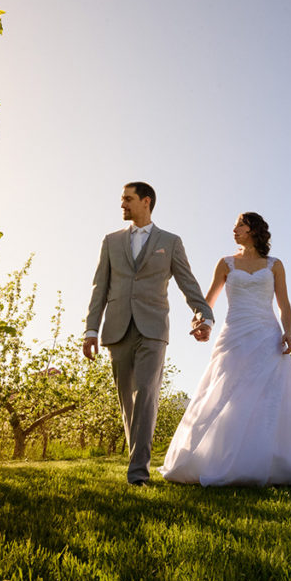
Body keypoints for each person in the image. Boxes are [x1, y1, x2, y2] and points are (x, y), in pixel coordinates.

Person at [159, 212, 291, 486]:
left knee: (268, 396)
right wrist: (201, 322)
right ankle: (218, 457)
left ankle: (271, 459)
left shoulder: (274, 265)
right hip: (235, 333)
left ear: (253, 229)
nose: (234, 229)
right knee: (226, 392)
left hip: (267, 334)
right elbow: (208, 301)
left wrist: (288, 332)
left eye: (240, 224)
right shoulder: (226, 263)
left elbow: (284, 303)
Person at [84, 181, 214, 485]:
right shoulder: (111, 241)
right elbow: (99, 287)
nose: (122, 205)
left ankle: (138, 473)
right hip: (117, 328)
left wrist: (203, 315)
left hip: (153, 329)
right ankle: (137, 461)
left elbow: (188, 284)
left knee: (146, 396)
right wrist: (91, 328)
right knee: (127, 402)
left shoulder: (169, 242)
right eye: (121, 200)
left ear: (146, 201)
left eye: (127, 200)